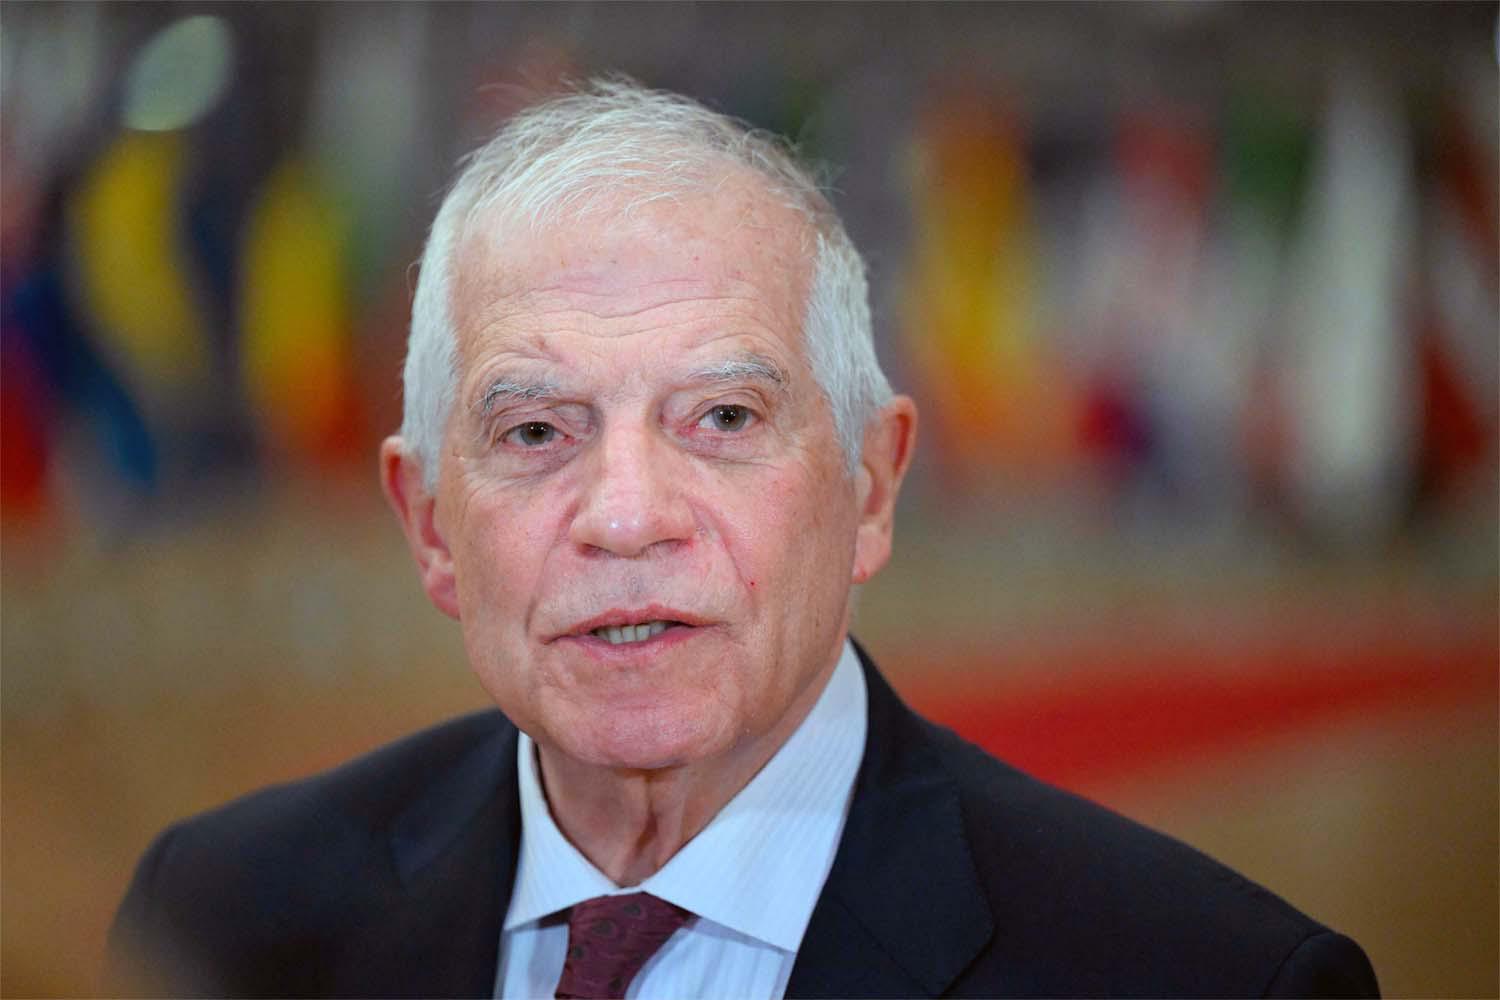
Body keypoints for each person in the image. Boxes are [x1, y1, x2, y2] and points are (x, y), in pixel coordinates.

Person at [106, 79, 1379, 998]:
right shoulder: (217, 923)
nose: (626, 516)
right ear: (431, 524)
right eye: (537, 430)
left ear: (871, 487)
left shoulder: (1205, 976)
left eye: (723, 417)